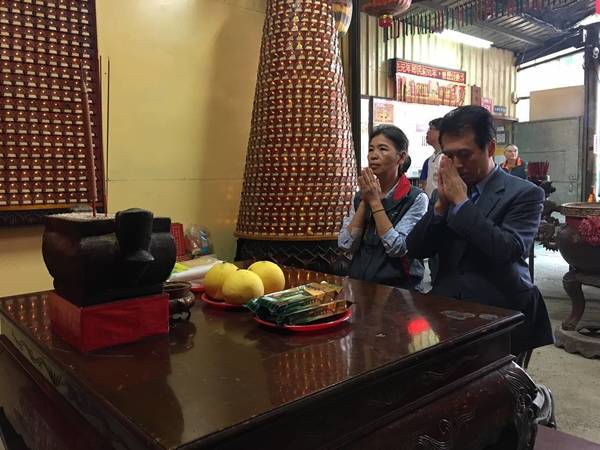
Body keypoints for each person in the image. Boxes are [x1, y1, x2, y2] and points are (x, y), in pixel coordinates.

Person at [406, 106, 553, 357]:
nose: (457, 164)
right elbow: (416, 249)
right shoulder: (444, 192)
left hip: (502, 312)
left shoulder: (525, 193)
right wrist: (440, 208)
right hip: (447, 307)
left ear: (490, 148)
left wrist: (462, 203)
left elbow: (508, 249)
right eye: (449, 155)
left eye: (465, 154)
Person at [338, 125, 428, 290]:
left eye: (382, 149)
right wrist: (365, 201)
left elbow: (398, 247)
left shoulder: (415, 198)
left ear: (401, 157)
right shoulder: (361, 196)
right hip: (360, 284)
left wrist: (375, 202)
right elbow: (346, 244)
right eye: (371, 149)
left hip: (399, 289)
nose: (374, 155)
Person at [419, 118, 444, 197]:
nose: (427, 132)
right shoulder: (428, 161)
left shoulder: (449, 158)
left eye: (431, 129)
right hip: (430, 202)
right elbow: (423, 183)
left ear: (441, 132)